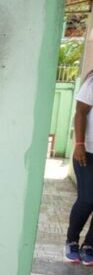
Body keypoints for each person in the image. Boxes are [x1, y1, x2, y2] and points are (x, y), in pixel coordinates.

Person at [65, 72, 93, 265]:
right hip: (88, 151)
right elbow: (80, 112)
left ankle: (90, 245)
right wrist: (79, 143)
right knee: (87, 199)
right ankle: (71, 240)